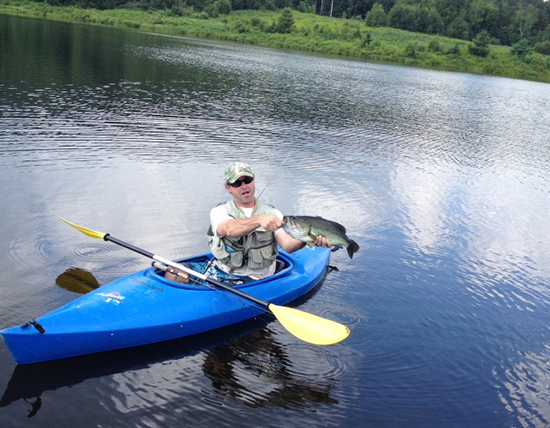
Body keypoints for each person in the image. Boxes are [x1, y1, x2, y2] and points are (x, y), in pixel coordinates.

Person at [165, 162, 330, 284]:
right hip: (221, 272)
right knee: (172, 272)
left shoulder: (274, 214)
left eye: (247, 180)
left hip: (255, 279)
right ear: (228, 187)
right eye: (237, 183)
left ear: (253, 181)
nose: (244, 186)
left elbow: (288, 245)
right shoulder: (220, 211)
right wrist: (258, 220)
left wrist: (307, 238)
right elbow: (227, 229)